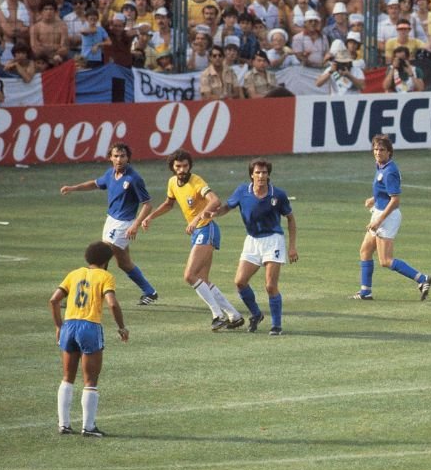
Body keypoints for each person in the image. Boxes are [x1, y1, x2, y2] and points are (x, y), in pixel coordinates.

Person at [141, 150, 246, 331]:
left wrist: (196, 220)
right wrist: (150, 217)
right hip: (198, 232)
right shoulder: (172, 182)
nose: (182, 169)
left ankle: (217, 315)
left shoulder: (196, 181)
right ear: (172, 168)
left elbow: (215, 201)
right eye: (178, 166)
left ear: (190, 166)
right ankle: (234, 315)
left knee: (190, 276)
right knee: (202, 279)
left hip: (207, 228)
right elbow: (168, 203)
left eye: (185, 166)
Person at [204, 158, 297, 336]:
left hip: (273, 240)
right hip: (253, 241)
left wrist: (292, 247)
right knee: (240, 282)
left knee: (270, 286)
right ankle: (256, 314)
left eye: (264, 172)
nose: (261, 175)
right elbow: (227, 207)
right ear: (251, 175)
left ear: (268, 174)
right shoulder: (242, 191)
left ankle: (276, 325)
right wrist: (215, 214)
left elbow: (291, 219)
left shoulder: (277, 195)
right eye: (258, 172)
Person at [60, 143, 159, 304]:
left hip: (123, 223)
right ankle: (150, 292)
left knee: (100, 255)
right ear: (110, 158)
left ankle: (93, 294)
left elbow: (147, 204)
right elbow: (95, 183)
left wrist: (135, 225)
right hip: (111, 220)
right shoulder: (110, 174)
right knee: (123, 262)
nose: (119, 159)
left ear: (128, 158)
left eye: (123, 156)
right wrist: (73, 188)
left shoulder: (134, 179)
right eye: (116, 156)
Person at [49, 241, 129, 438]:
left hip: (69, 325)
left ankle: (64, 425)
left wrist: (59, 326)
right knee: (90, 380)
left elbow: (54, 299)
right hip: (89, 327)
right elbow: (112, 303)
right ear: (106, 261)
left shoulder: (74, 274)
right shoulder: (106, 277)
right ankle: (88, 427)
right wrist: (121, 327)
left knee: (67, 377)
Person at [351, 134, 431, 301]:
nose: (378, 152)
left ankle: (422, 279)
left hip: (387, 217)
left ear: (389, 152)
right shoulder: (381, 166)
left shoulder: (389, 171)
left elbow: (395, 200)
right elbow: (386, 193)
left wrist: (378, 221)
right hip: (379, 212)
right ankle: (365, 292)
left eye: (382, 149)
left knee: (385, 260)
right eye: (375, 149)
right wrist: (374, 199)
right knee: (365, 251)